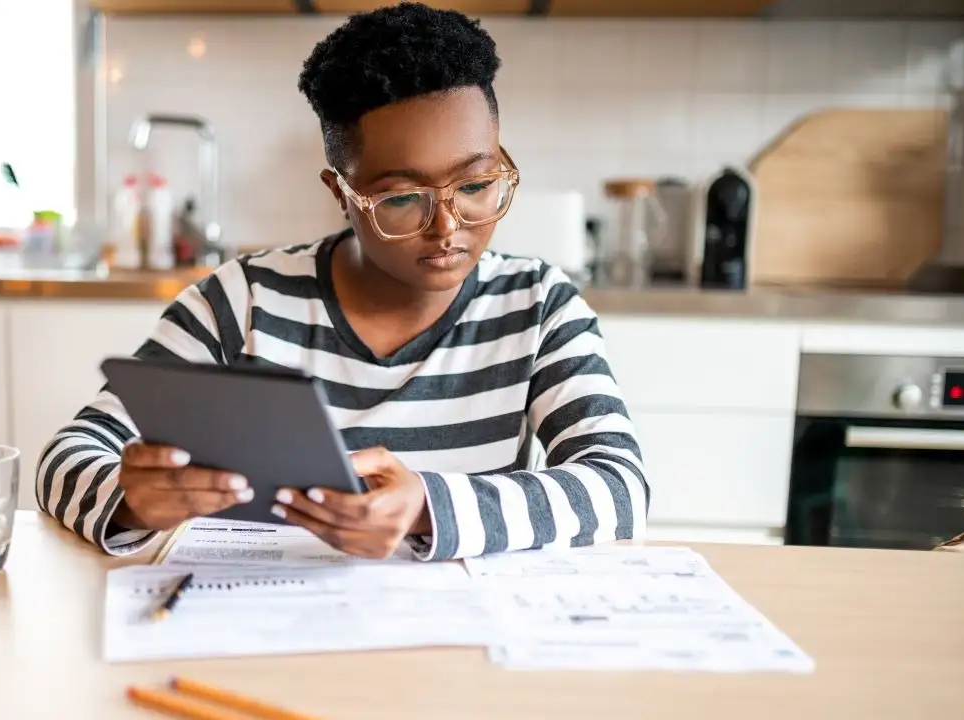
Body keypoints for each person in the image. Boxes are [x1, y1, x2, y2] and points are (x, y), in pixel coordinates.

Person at [35, 2, 649, 561]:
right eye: (402, 198)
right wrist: (135, 499)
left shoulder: (537, 304)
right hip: (272, 638)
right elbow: (65, 459)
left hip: (462, 651)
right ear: (342, 193)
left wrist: (427, 507)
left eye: (475, 185)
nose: (448, 227)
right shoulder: (243, 301)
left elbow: (619, 485)